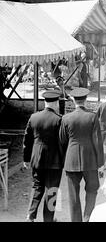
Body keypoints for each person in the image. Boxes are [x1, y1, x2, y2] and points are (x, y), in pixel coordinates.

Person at [59, 87, 104, 222]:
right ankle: (87, 218)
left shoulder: (66, 118)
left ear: (73, 100)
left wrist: (64, 161)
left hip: (71, 160)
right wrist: (100, 164)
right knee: (92, 189)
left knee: (73, 195)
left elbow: (62, 141)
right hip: (90, 160)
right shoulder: (92, 117)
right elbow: (98, 141)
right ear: (85, 100)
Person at [23, 90, 64, 222]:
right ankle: (48, 219)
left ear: (45, 102)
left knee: (37, 186)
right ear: (56, 102)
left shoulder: (34, 117)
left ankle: (30, 215)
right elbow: (63, 141)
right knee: (52, 190)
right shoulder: (60, 119)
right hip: (55, 160)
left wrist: (26, 159)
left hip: (37, 157)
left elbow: (27, 140)